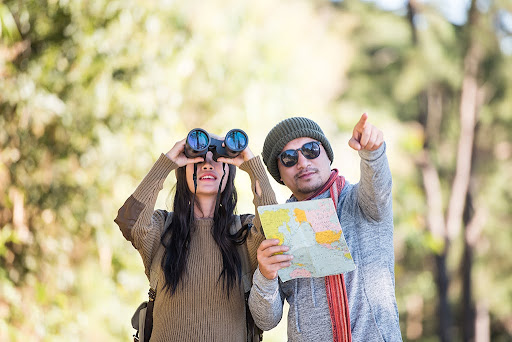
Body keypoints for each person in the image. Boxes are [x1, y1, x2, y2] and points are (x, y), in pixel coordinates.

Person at [248, 115, 402, 341]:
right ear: (279, 173)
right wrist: (265, 276)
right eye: (289, 158)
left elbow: (380, 188)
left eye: (310, 149)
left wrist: (372, 152)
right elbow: (266, 321)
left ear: (326, 154)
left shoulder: (363, 202)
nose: (302, 162)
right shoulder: (280, 226)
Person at [114, 130, 276, 342]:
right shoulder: (163, 228)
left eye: (217, 159)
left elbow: (275, 229)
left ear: (230, 170)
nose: (208, 165)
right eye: (198, 159)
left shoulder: (243, 233)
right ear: (183, 169)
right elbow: (130, 222)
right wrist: (167, 163)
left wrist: (253, 166)